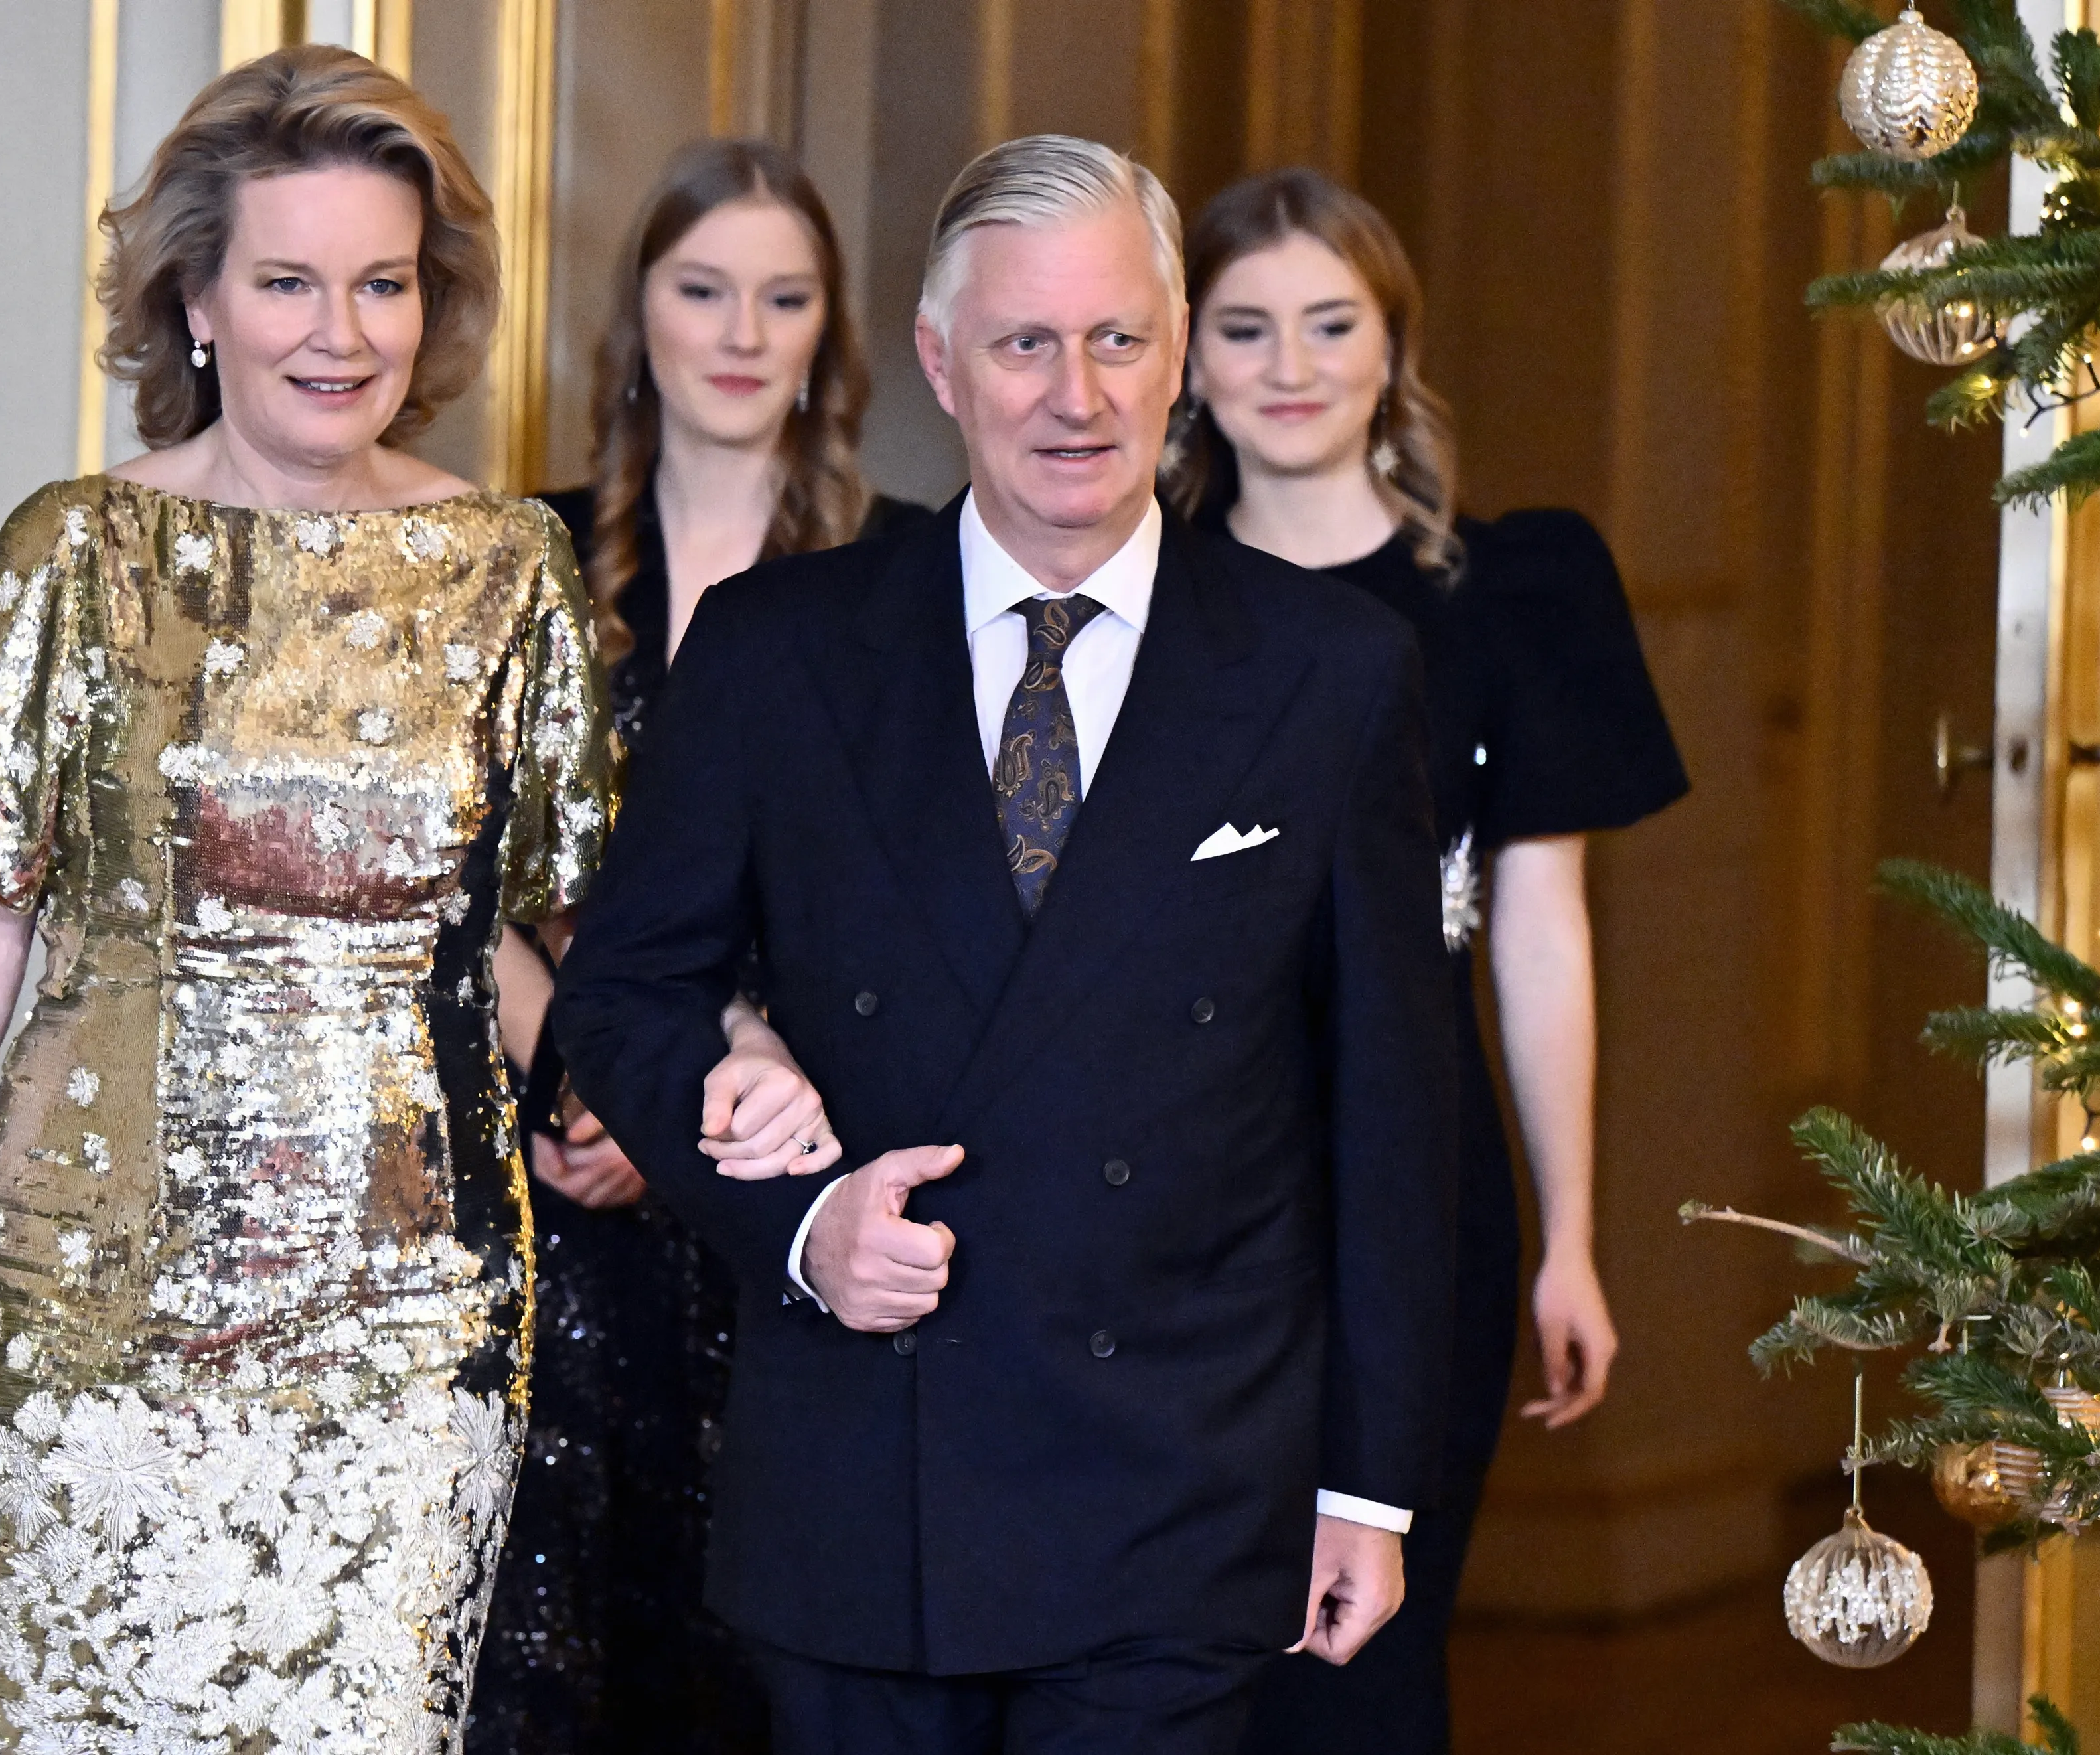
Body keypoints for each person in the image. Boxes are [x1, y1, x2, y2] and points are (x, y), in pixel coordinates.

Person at [550, 134, 1458, 1755]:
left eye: (1118, 339)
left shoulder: (1331, 668)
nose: (1077, 394)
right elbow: (624, 993)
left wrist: (1369, 1484)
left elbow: (1392, 1108)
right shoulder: (778, 648)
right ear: (939, 362)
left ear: (1176, 358)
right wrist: (804, 1223)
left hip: (1180, 1488)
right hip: (863, 1480)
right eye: (1026, 342)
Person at [0, 48, 612, 1753]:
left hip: (411, 1329)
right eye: (288, 281)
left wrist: (645, 1088)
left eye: (383, 282)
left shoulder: (511, 572)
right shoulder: (72, 557)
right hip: (92, 1316)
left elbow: (532, 942)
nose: (343, 333)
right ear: (196, 301)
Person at [1164, 169, 1688, 1755]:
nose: (1291, 365)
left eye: (1332, 324)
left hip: (1416, 1189)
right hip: (1175, 1194)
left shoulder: (1511, 589)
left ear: (1393, 346)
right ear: (1186, 358)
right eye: (1246, 328)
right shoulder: (1137, 600)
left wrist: (1570, 1234)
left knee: (1368, 1657)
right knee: (1181, 1655)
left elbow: (1538, 928)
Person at [469, 136, 922, 1755]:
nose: (741, 333)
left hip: (796, 1169)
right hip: (547, 1173)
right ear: (638, 314)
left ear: (832, 335)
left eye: (783, 298)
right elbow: (456, 872)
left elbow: (913, 903)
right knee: (539, 1657)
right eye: (703, 289)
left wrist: (692, 1109)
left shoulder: (907, 575)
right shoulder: (515, 554)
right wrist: (591, 1082)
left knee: (759, 1668)